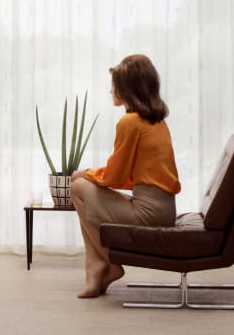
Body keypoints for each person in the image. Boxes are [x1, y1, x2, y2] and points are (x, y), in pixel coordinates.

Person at [69, 54, 180, 298]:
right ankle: (97, 266)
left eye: (115, 85)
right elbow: (131, 176)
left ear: (129, 89)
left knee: (77, 187)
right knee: (83, 185)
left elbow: (115, 178)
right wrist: (92, 175)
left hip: (148, 213)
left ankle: (106, 262)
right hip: (164, 208)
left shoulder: (130, 122)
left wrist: (85, 173)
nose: (111, 90)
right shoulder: (157, 121)